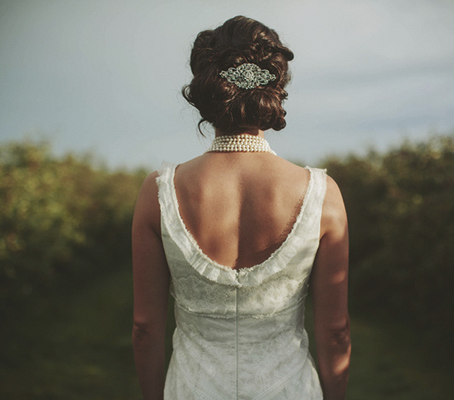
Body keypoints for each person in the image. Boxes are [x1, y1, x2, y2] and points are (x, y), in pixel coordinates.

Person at [132, 16, 350, 400]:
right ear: (274, 88)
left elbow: (145, 327)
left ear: (209, 90)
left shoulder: (158, 192)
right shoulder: (322, 193)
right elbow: (335, 331)